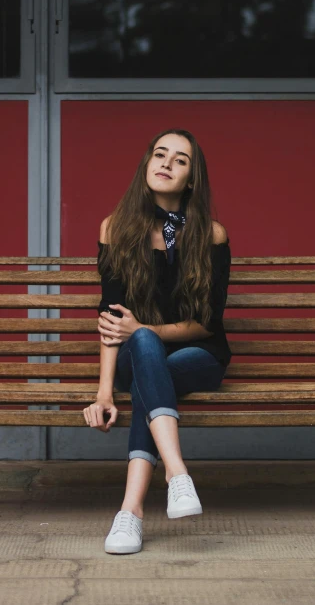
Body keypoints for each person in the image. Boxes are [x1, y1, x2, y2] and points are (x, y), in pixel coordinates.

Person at [83, 128, 232, 555]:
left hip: (200, 356)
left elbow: (207, 322)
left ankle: (130, 514)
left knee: (149, 353)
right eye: (160, 154)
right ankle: (177, 473)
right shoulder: (116, 229)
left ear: (191, 178)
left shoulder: (212, 235)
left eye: (179, 160)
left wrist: (144, 331)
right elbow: (113, 318)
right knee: (146, 350)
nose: (166, 163)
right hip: (139, 354)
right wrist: (104, 391)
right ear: (147, 164)